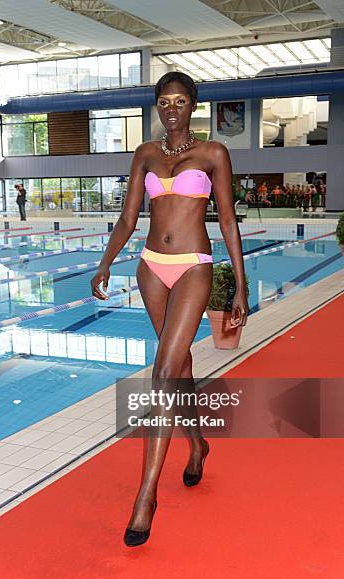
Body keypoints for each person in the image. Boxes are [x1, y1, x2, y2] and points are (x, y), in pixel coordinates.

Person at [90, 71, 248, 547]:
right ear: (157, 106)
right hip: (151, 269)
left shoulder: (214, 153)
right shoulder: (145, 154)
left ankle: (146, 496)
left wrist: (239, 285)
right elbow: (128, 215)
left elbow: (228, 222)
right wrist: (105, 263)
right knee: (177, 366)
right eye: (164, 101)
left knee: (163, 372)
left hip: (195, 267)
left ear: (194, 104)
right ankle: (197, 444)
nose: (172, 107)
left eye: (180, 100)